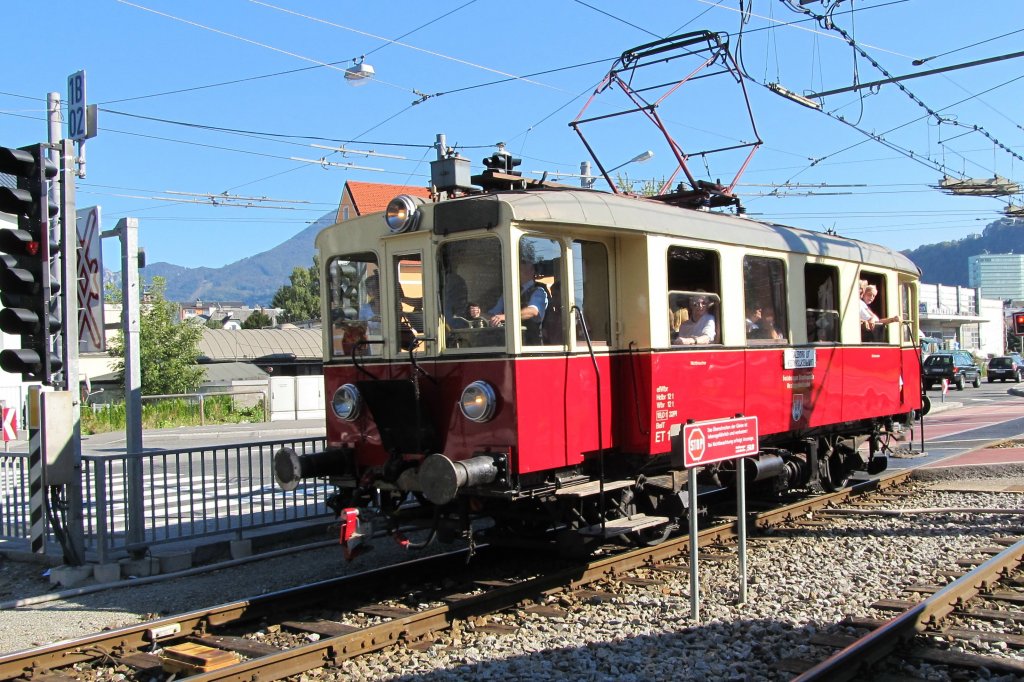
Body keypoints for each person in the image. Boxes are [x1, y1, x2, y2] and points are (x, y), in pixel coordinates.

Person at [489, 260, 549, 329]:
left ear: (531, 272)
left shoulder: (538, 291)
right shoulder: (509, 293)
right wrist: (478, 314)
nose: (514, 273)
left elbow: (533, 311)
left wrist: (506, 317)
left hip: (529, 339)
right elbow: (494, 314)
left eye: (519, 270)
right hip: (506, 337)